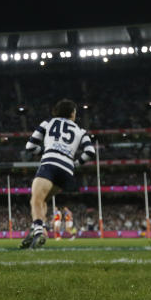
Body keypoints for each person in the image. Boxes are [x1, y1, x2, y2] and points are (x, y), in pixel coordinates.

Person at [21, 99, 95, 249]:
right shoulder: (81, 131)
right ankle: (36, 229)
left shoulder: (48, 122)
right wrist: (75, 164)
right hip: (67, 170)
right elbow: (90, 152)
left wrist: (44, 153)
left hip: (50, 163)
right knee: (43, 201)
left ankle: (38, 232)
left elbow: (30, 146)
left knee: (35, 200)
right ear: (72, 113)